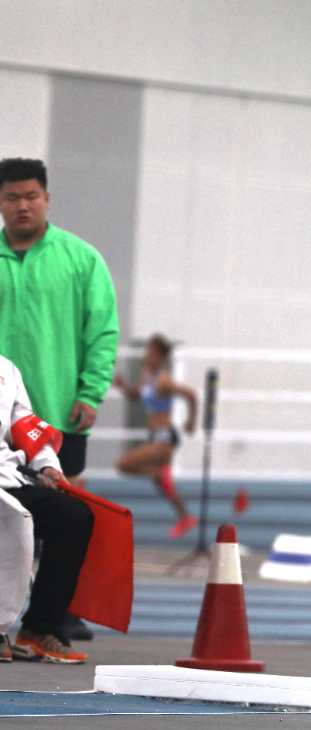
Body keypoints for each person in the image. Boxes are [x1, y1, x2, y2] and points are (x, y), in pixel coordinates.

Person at [0, 158, 120, 485]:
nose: (22, 206)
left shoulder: (82, 259)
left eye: (31, 196)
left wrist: (90, 394)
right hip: (1, 417)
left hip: (59, 412)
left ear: (47, 198)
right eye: (12, 198)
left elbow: (102, 333)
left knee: (61, 505)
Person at [0, 354, 94, 664]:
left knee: (72, 517)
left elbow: (26, 426)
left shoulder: (6, 369)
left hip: (7, 479)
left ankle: (40, 629)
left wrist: (47, 465)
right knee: (13, 518)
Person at [113, 333, 199, 538]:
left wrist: (191, 422)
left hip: (164, 439)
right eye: (147, 351)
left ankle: (161, 475)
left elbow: (191, 395)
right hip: (156, 437)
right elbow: (136, 395)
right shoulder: (147, 375)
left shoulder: (163, 380)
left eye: (151, 352)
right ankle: (185, 517)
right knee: (164, 485)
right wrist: (123, 386)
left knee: (124, 465)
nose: (146, 355)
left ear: (160, 357)